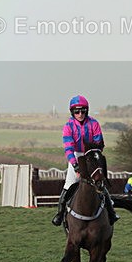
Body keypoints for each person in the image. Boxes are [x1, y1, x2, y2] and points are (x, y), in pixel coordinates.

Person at [51, 95, 119, 226]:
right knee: (69, 184)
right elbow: (68, 149)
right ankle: (60, 214)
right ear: (72, 112)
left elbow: (98, 142)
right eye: (77, 111)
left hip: (91, 154)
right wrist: (76, 166)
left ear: (86, 111)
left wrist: (94, 155)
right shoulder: (68, 126)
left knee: (100, 182)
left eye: (83, 111)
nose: (80, 114)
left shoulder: (94, 123)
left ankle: (111, 213)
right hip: (76, 155)